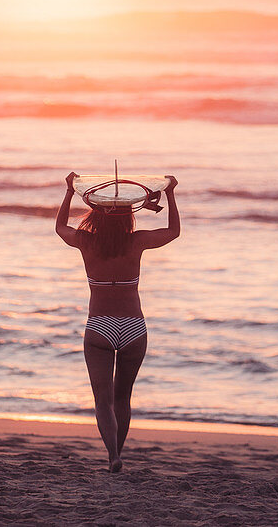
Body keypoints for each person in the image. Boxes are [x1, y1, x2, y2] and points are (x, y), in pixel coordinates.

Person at [55, 171, 180, 472]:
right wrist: (172, 193)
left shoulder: (86, 241)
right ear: (129, 216)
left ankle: (113, 455)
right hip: (134, 328)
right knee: (123, 398)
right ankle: (119, 452)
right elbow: (173, 231)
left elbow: (60, 227)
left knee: (103, 401)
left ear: (95, 213)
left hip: (99, 326)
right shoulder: (137, 241)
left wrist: (69, 191)